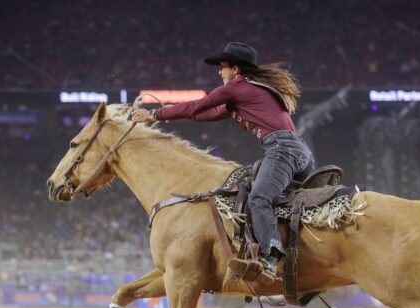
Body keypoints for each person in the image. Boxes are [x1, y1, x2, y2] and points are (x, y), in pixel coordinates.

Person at [131, 42, 315, 284]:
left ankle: (271, 258)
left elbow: (198, 105)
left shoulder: (238, 87)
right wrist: (172, 114)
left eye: (223, 67)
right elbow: (204, 113)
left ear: (236, 70)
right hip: (301, 154)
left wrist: (154, 114)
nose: (220, 72)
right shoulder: (249, 92)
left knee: (259, 199)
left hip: (281, 150)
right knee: (278, 202)